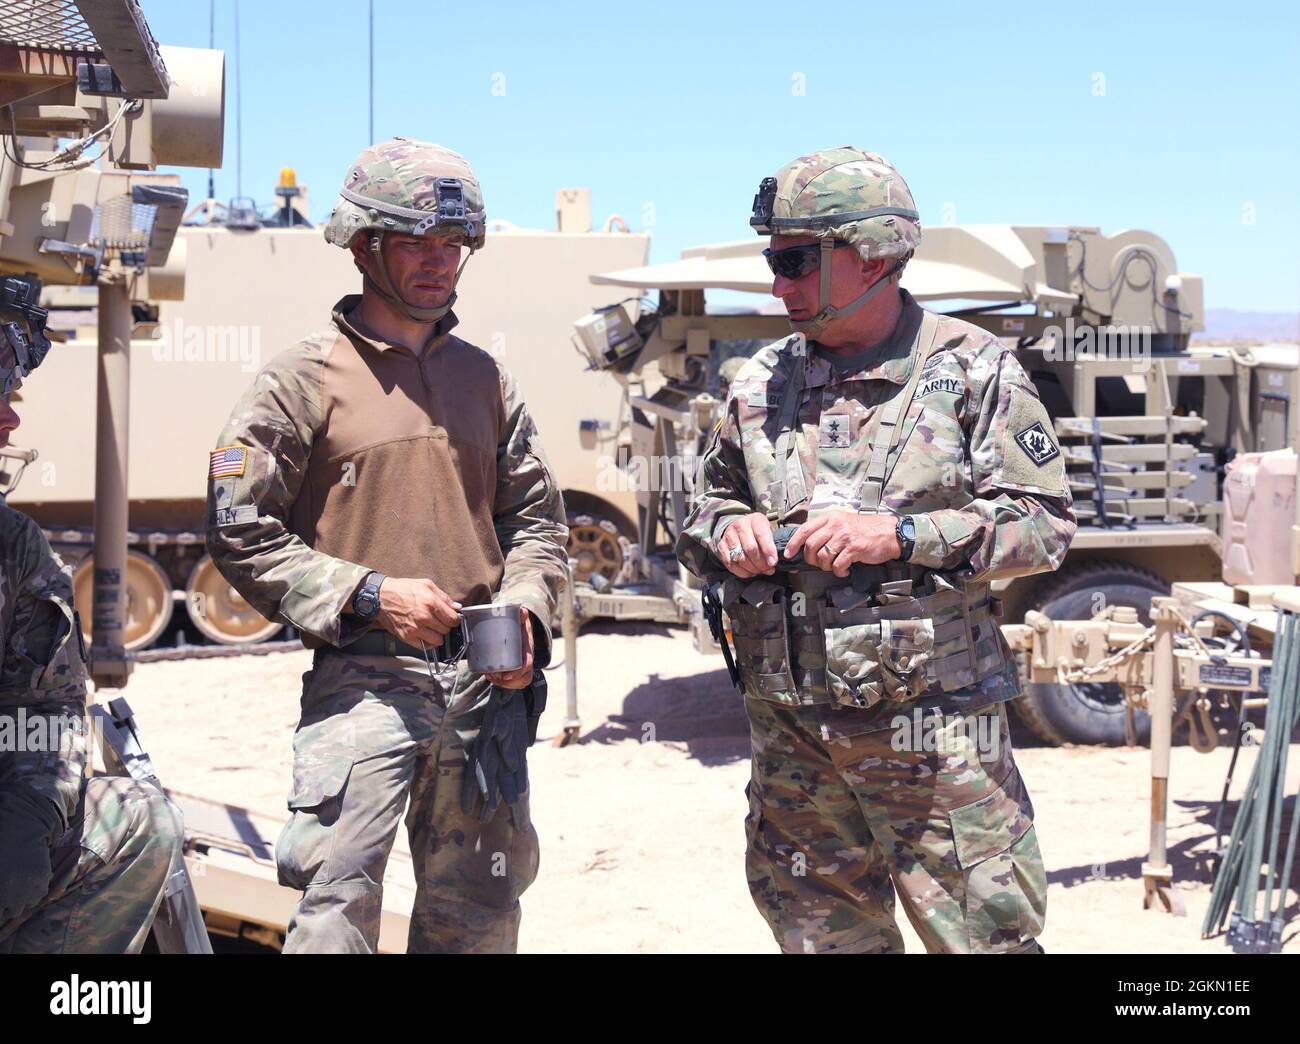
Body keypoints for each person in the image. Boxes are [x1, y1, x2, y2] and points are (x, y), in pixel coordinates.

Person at [676, 147, 1076, 954]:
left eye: (794, 261)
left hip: (934, 741)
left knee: (987, 938)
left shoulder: (972, 370)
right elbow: (697, 513)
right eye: (772, 260)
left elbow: (1042, 524)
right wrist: (728, 530)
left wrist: (902, 535)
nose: (777, 283)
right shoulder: (758, 381)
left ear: (875, 255)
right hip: (792, 740)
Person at [206, 139, 568, 954]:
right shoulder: (302, 380)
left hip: (484, 694)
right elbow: (238, 526)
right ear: (364, 245)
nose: (439, 263)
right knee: (335, 911)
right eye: (415, 242)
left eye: (454, 246)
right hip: (364, 683)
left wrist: (529, 618)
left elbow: (538, 523)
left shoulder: (488, 379)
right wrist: (371, 594)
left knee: (479, 918)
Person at [0, 282, 182, 953]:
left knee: (139, 822)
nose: (11, 423)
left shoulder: (13, 546)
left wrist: (30, 817)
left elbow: (38, 708)